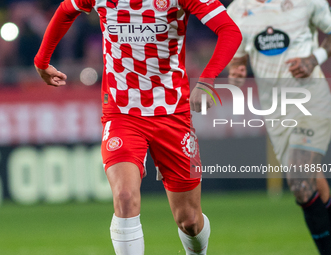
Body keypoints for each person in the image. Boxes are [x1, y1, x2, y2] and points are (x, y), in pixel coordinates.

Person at [34, 0, 242, 254]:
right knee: (124, 196)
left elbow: (230, 31)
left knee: (189, 221)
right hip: (122, 114)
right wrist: (41, 60)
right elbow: (67, 9)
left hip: (172, 114)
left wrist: (207, 81)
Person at [225, 0, 331, 254]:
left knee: (299, 181)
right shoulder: (237, 9)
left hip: (312, 100)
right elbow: (238, 56)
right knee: (312, 186)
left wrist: (314, 58)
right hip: (276, 113)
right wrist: (237, 71)